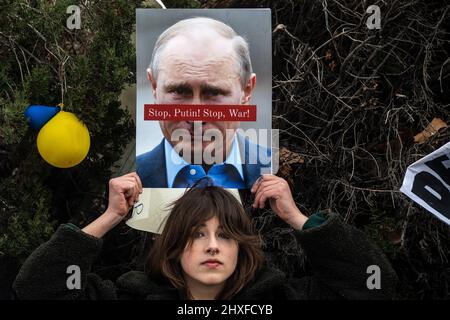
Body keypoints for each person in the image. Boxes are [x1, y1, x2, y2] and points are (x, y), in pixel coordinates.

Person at [13, 172, 397, 300]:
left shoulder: (280, 296)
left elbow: (373, 284)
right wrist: (111, 216)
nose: (213, 245)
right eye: (197, 234)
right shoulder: (131, 295)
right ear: (174, 246)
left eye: (226, 235)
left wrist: (296, 217)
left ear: (241, 248)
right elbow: (37, 288)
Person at [137, 17, 271, 189]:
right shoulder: (126, 186)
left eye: (214, 93)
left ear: (247, 91)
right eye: (179, 91)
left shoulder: (277, 173)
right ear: (154, 87)